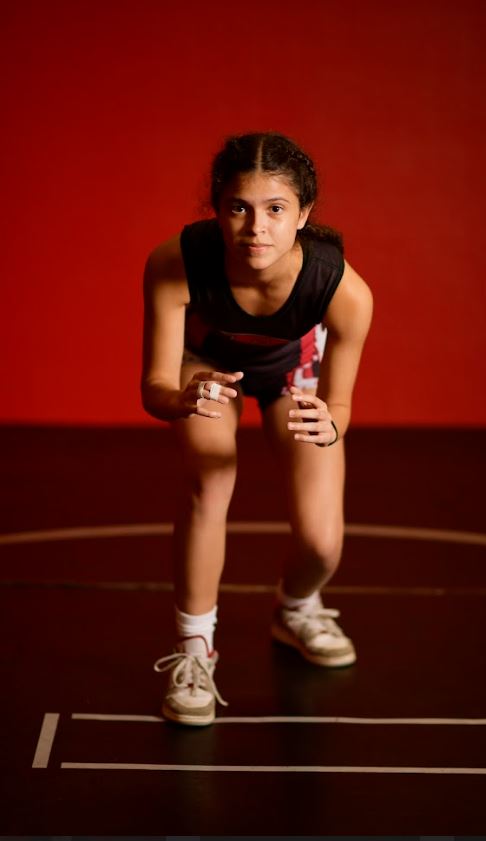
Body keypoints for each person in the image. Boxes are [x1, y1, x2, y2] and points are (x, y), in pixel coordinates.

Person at [141, 132, 373, 726]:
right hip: (206, 370)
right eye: (239, 208)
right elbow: (155, 389)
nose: (256, 228)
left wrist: (328, 424)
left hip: (293, 373)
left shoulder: (343, 289)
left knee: (322, 543)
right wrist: (181, 398)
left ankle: (296, 607)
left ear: (304, 214)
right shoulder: (176, 262)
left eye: (275, 209)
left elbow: (340, 407)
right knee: (210, 477)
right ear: (217, 209)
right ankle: (195, 650)